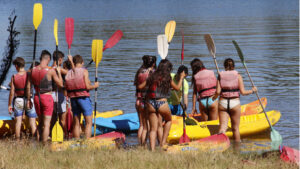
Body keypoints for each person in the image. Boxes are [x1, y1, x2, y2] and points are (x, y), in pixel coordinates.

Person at [138, 59, 185, 151]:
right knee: (168, 120)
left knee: (152, 129)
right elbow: (178, 88)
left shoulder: (151, 76)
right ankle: (163, 143)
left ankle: (152, 150)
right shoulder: (167, 77)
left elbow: (140, 87)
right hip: (162, 103)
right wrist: (182, 78)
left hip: (150, 103)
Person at [214, 58, 257, 142]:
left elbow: (218, 91)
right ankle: (237, 149)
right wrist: (253, 90)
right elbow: (243, 92)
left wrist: (214, 98)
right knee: (235, 129)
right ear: (233, 66)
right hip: (235, 103)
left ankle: (220, 146)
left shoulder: (220, 75)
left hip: (223, 102)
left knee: (223, 127)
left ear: (224, 66)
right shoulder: (238, 75)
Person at [26, 50, 63, 143]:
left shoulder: (32, 70)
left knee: (40, 122)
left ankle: (38, 141)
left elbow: (28, 86)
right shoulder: (51, 71)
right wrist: (58, 73)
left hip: (36, 97)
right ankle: (43, 145)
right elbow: (60, 85)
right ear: (48, 59)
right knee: (47, 124)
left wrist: (28, 100)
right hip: (46, 97)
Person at [65, 54, 99, 139]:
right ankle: (87, 142)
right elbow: (87, 87)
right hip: (83, 99)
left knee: (76, 122)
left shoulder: (68, 73)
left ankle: (76, 140)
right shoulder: (84, 71)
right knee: (88, 122)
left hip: (73, 99)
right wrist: (95, 85)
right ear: (82, 62)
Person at [8, 57, 37, 140]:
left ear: (17, 66)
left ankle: (17, 141)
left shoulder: (14, 76)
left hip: (18, 101)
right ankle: (35, 141)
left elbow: (12, 93)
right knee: (32, 123)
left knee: (18, 122)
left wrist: (9, 104)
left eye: (15, 66)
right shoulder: (29, 75)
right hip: (29, 100)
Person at [134, 55, 156, 146]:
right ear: (153, 64)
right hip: (147, 101)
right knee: (147, 127)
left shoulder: (139, 72)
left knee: (141, 125)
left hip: (138, 100)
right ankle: (144, 145)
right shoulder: (152, 73)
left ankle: (140, 145)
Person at [51, 50, 68, 136]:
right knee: (62, 119)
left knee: (53, 118)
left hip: (50, 95)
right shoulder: (59, 69)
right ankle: (66, 135)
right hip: (59, 95)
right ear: (60, 59)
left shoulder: (49, 68)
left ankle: (50, 134)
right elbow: (71, 73)